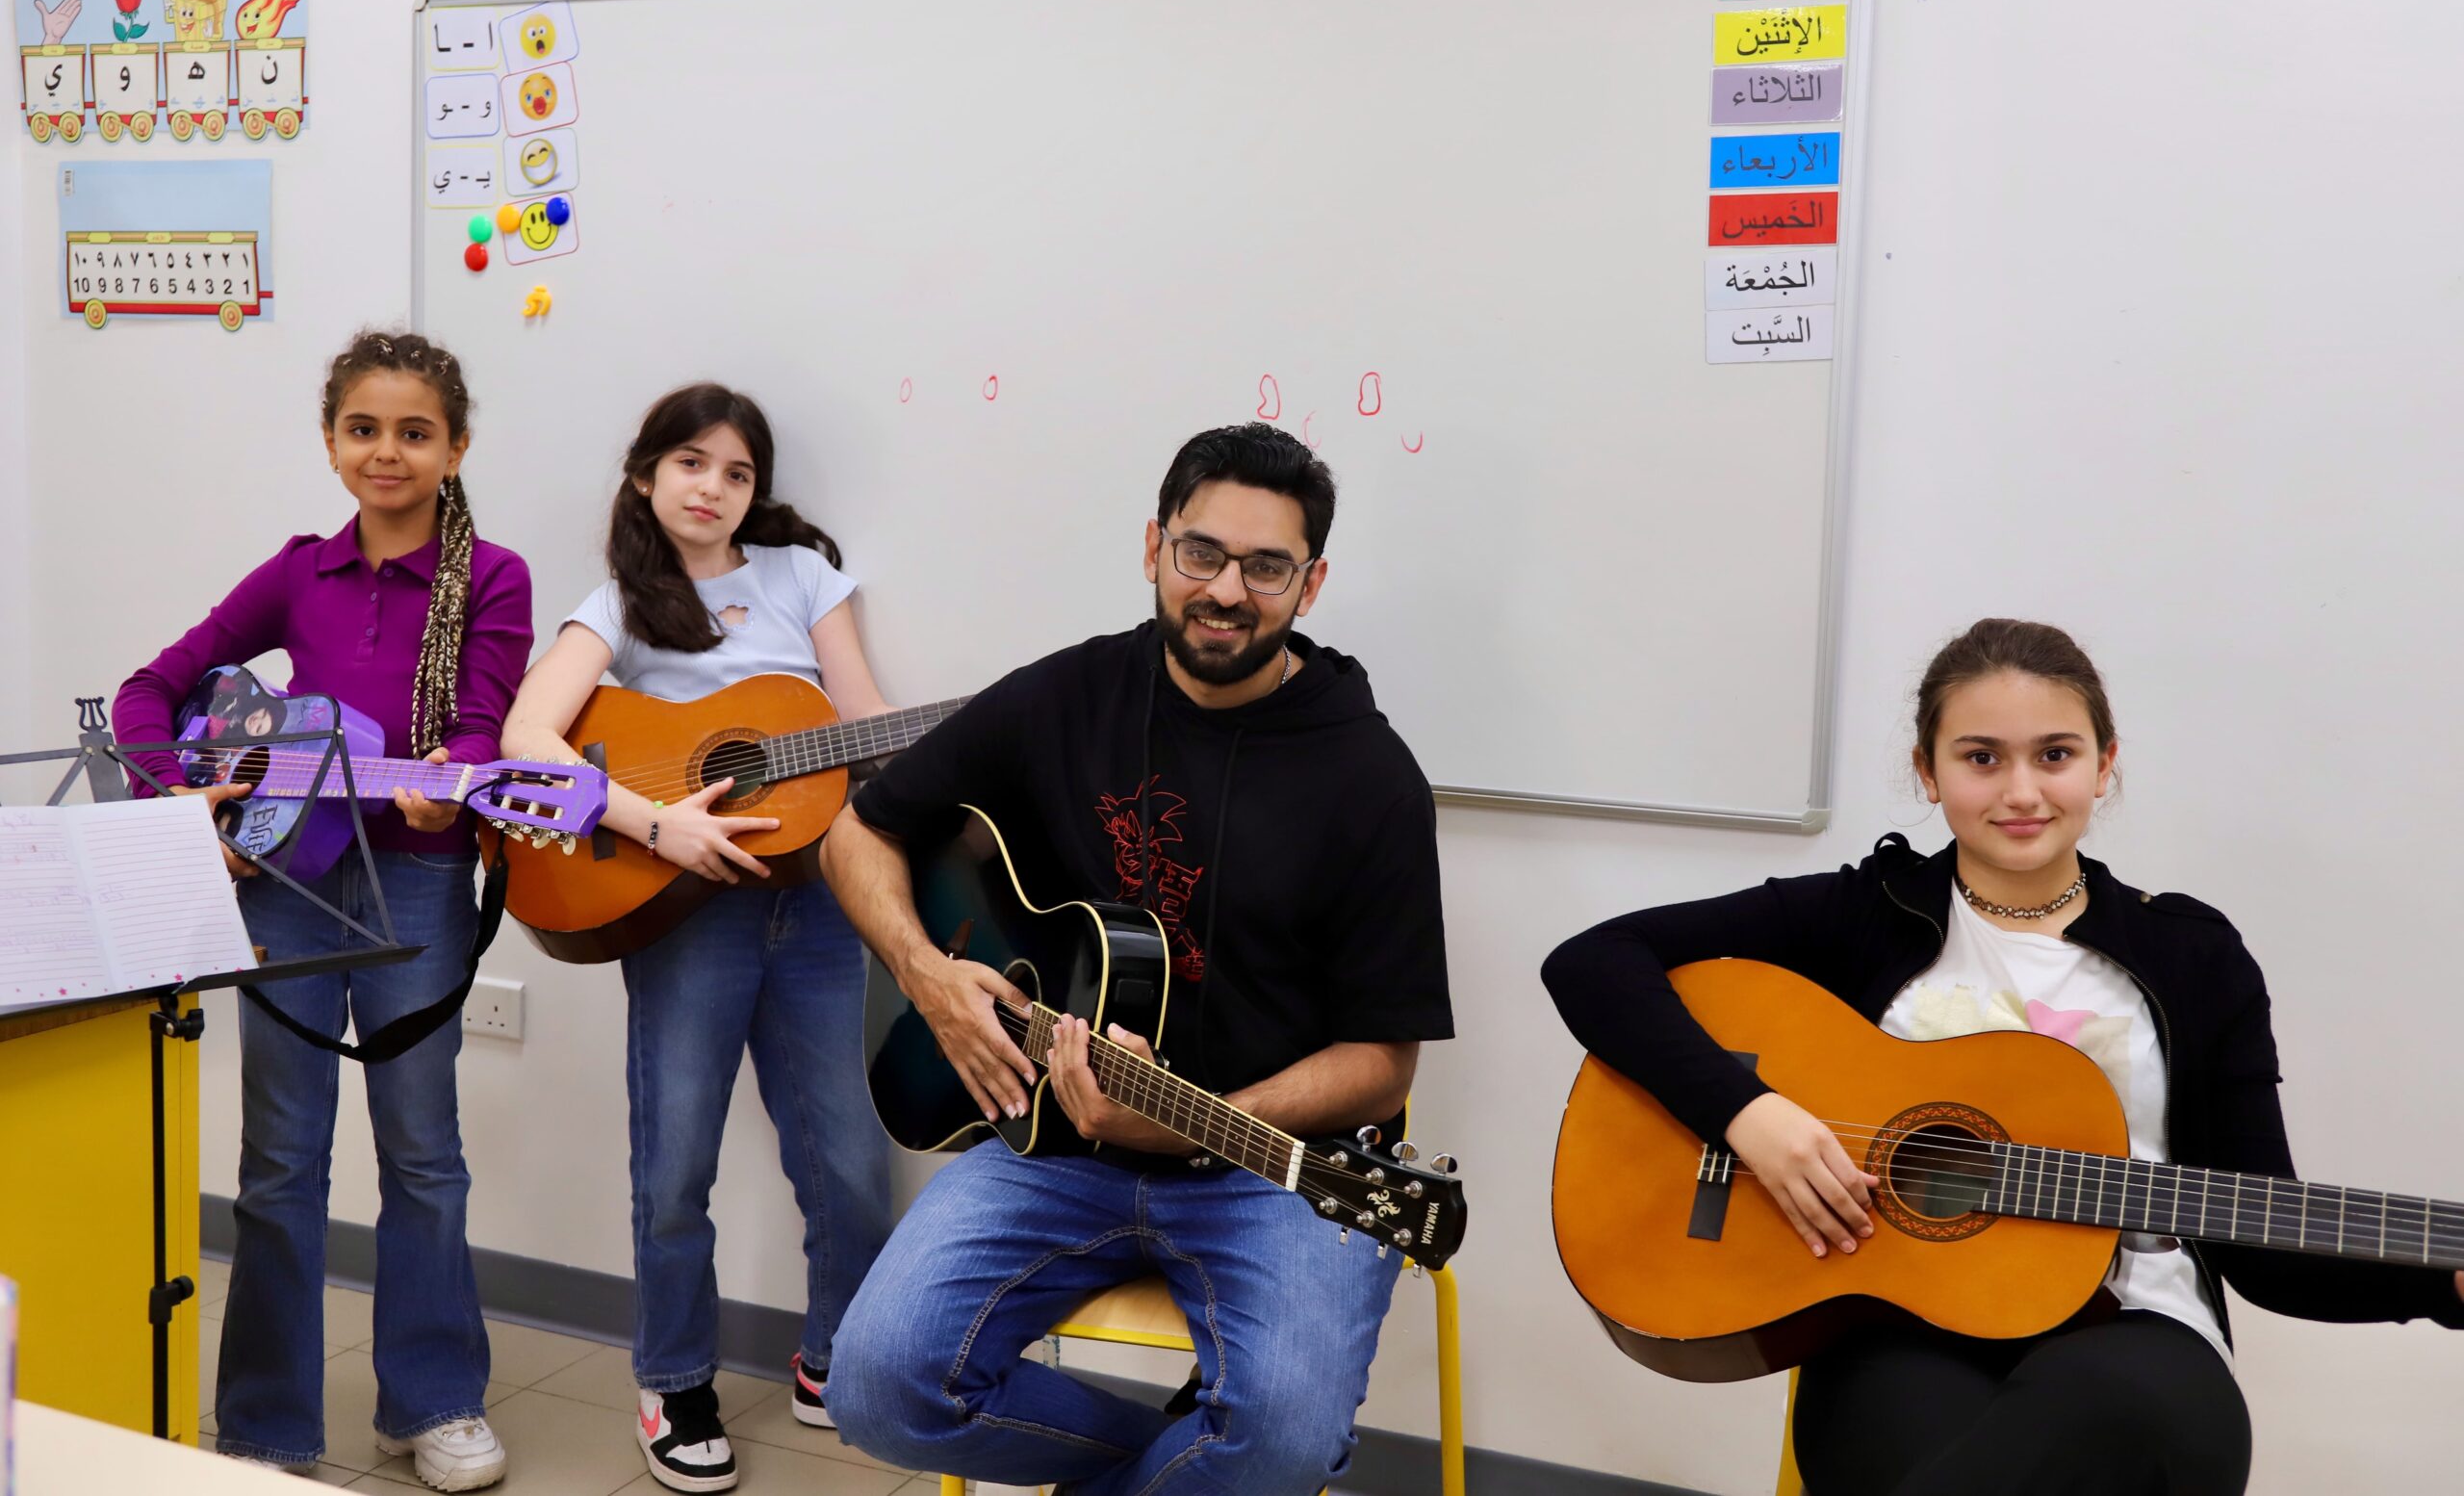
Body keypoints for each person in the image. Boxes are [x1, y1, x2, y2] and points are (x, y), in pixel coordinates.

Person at [1542, 617, 2464, 1496]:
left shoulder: (2193, 954)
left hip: (2140, 1319)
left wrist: (2442, 1278)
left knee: (2113, 1412)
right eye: (1981, 757)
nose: (2021, 791)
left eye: (2054, 755)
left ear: (2105, 764)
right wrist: (1748, 1114)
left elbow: (2266, 1246)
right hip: (1898, 1327)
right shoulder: (1860, 916)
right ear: (1927, 772)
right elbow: (1592, 963)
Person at [819, 422, 1453, 1496]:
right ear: (1154, 547)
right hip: (1056, 1151)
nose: (1226, 590)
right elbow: (855, 833)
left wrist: (1206, 1119)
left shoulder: (1370, 776)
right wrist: (927, 977)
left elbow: (1384, 1064)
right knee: (876, 1388)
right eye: (1201, 552)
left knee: (1288, 1440)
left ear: (1311, 583)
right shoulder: (1064, 694)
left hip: (1273, 1169)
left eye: (1266, 567)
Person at [115, 330, 531, 1490]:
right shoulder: (298, 571)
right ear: (332, 440)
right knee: (280, 1162)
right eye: (364, 429)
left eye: (413, 431)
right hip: (287, 886)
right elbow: (154, 687)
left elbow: (482, 727)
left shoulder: (491, 575)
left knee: (424, 1154)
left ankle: (434, 1402)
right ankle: (264, 1428)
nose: (386, 451)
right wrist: (184, 792)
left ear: (455, 446)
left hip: (420, 882)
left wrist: (457, 779)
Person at [497, 384, 894, 1493]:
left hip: (814, 903)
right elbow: (528, 735)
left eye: (736, 473)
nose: (711, 489)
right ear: (643, 476)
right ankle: (673, 1380)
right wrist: (653, 820)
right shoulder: (619, 603)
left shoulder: (804, 579)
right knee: (676, 1166)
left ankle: (834, 1360)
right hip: (680, 915)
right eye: (690, 464)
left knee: (854, 1161)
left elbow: (865, 724)